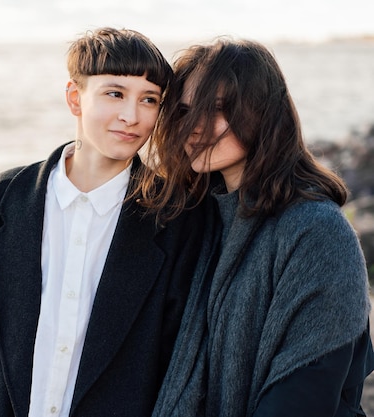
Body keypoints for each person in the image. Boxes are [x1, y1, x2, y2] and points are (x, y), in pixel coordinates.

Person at [0, 27, 216, 417]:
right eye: (114, 93)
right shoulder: (3, 201)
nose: (130, 116)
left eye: (148, 100)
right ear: (74, 98)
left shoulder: (175, 219)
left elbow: (183, 360)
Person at [139, 37, 374, 416]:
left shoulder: (316, 232)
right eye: (185, 111)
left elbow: (303, 396)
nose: (195, 127)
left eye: (217, 108)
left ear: (262, 112)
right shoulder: (201, 222)